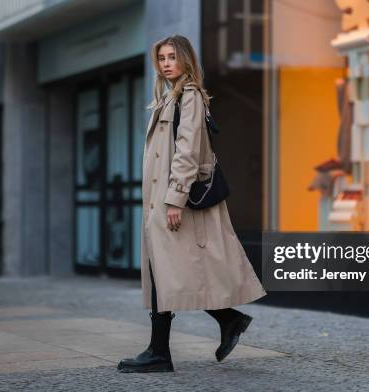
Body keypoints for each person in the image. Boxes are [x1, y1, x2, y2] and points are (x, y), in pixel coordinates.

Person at [117, 35, 267, 373]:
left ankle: (162, 352)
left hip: (173, 201)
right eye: (162, 58)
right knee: (167, 273)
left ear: (186, 59)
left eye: (172, 56)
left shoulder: (190, 96)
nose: (166, 63)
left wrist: (174, 199)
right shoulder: (167, 98)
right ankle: (223, 323)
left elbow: (187, 153)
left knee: (168, 273)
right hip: (159, 202)